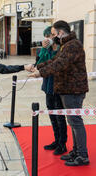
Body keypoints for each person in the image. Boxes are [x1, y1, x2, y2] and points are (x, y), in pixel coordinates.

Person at [29, 20, 89, 166]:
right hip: (67, 89)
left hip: (73, 90)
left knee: (75, 122)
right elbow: (54, 60)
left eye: (54, 34)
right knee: (72, 122)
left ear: (61, 33)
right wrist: (38, 66)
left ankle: (82, 155)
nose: (53, 37)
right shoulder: (66, 45)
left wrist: (40, 73)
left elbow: (59, 64)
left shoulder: (73, 45)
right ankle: (75, 151)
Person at [35, 26, 67, 155]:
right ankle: (56, 140)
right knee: (52, 115)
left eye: (49, 36)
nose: (48, 39)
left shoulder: (61, 50)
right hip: (48, 86)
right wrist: (43, 48)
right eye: (46, 36)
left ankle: (62, 143)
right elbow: (40, 63)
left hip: (58, 86)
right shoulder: (46, 49)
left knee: (60, 116)